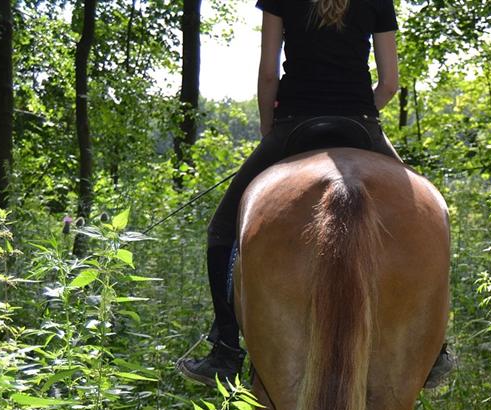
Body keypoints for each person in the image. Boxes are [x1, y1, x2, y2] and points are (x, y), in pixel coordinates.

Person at [177, 0, 453, 387]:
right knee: (432, 215)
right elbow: (390, 82)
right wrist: (360, 111)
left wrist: (268, 126)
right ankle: (434, 349)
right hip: (360, 123)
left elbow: (269, 73)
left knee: (222, 230)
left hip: (293, 121)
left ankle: (225, 348)